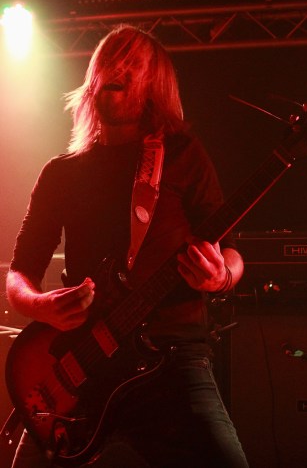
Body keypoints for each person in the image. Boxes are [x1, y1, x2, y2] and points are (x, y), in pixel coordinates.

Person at [6, 24, 248, 468]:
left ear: (155, 84)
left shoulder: (182, 154)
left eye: (131, 63)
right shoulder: (61, 173)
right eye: (109, 60)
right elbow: (19, 273)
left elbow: (231, 252)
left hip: (170, 364)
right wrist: (41, 306)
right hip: (82, 366)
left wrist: (220, 276)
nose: (116, 69)